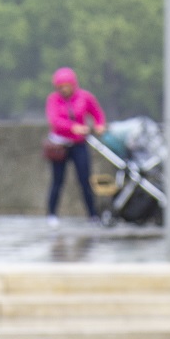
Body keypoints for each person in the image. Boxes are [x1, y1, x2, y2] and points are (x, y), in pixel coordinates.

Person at [45, 67, 106, 226]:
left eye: (67, 85)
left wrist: (99, 125)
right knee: (57, 180)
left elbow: (96, 113)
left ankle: (93, 214)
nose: (64, 89)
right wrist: (72, 127)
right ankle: (52, 214)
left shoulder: (85, 97)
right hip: (59, 145)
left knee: (85, 180)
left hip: (79, 144)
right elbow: (55, 121)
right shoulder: (53, 99)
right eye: (61, 86)